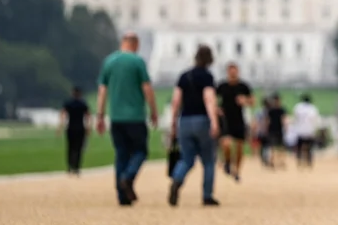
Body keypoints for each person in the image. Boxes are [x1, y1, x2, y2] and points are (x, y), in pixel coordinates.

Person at [96, 31, 159, 207]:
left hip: (116, 117)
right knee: (140, 151)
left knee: (121, 154)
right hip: (135, 117)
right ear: (136, 44)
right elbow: (147, 88)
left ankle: (122, 196)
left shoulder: (109, 62)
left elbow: (102, 91)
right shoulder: (137, 62)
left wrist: (100, 116)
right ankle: (128, 177)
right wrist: (154, 111)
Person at [167, 44, 221, 207]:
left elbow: (176, 101)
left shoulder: (184, 76)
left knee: (186, 158)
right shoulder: (206, 76)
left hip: (185, 120)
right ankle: (206, 195)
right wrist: (214, 121)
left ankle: (177, 180)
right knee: (209, 160)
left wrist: (173, 122)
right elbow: (209, 99)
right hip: (202, 120)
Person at [215, 62, 252, 182]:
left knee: (240, 147)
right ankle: (227, 161)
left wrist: (245, 101)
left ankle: (237, 170)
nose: (233, 74)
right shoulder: (222, 86)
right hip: (226, 119)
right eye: (231, 71)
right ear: (227, 72)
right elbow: (212, 99)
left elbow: (252, 101)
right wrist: (217, 109)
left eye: (235, 71)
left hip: (239, 119)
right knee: (226, 144)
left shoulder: (243, 86)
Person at [59, 86, 90, 175]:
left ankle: (69, 166)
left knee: (70, 148)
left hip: (70, 128)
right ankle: (77, 167)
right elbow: (87, 115)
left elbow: (63, 113)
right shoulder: (82, 103)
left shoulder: (69, 103)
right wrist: (88, 127)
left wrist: (61, 125)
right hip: (80, 128)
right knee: (79, 148)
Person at [292, 93, 321, 168]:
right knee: (309, 148)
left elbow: (295, 118)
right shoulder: (313, 108)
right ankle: (309, 161)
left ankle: (299, 160)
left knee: (299, 147)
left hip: (300, 130)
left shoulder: (298, 107)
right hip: (310, 131)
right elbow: (316, 120)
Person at [264, 93, 286, 169]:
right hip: (275, 129)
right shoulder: (280, 110)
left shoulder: (271, 110)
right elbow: (283, 120)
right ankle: (276, 161)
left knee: (276, 147)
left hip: (274, 129)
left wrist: (266, 129)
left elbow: (267, 120)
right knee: (275, 146)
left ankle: (278, 161)